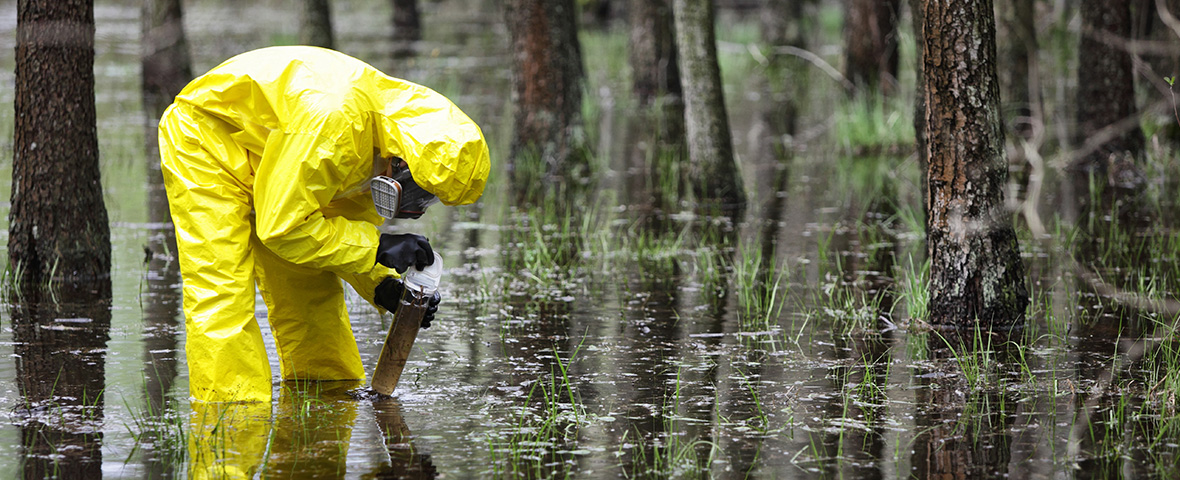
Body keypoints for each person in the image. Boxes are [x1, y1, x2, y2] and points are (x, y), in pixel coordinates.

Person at [157, 46, 490, 403]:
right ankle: (231, 422)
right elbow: (283, 228)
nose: (415, 210)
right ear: (402, 160)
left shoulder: (381, 146)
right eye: (418, 195)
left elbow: (338, 236)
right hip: (208, 142)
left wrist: (383, 285)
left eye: (429, 201)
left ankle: (326, 404)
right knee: (222, 292)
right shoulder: (335, 127)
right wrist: (377, 247)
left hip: (279, 156)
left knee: (313, 290)